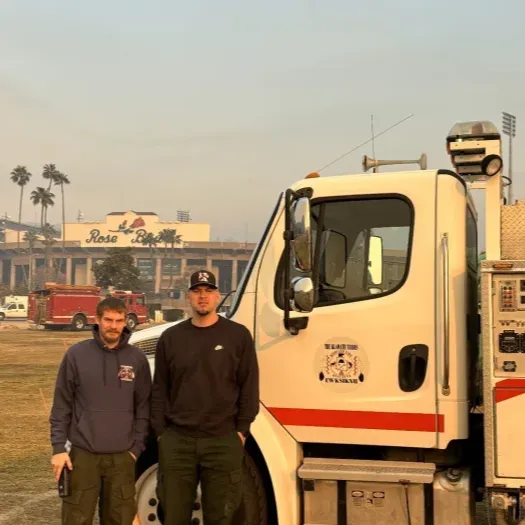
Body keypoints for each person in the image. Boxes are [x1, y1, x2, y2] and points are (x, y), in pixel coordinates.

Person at [151, 269, 259, 525]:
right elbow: (159, 390)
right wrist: (161, 434)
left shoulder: (238, 336)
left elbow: (249, 386)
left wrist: (241, 431)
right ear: (188, 297)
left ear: (217, 296)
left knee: (220, 516)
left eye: (208, 291)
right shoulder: (171, 338)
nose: (203, 297)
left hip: (222, 441)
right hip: (178, 442)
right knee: (173, 516)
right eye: (197, 291)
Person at [49, 297, 152, 525]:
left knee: (120, 520)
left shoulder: (137, 359)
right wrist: (58, 447)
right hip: (83, 456)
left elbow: (144, 408)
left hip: (121, 458)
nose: (113, 326)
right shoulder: (76, 354)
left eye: (119, 320)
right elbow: (62, 405)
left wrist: (135, 449)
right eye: (108, 320)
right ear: (97, 319)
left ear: (126, 321)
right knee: (77, 519)